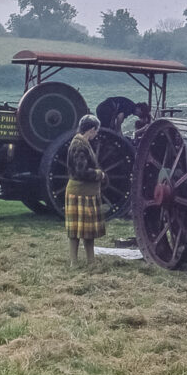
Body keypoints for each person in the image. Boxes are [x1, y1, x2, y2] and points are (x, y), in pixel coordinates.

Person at [64, 114, 107, 266]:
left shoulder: (81, 143)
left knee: (82, 232)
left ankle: (87, 261)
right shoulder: (79, 145)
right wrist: (99, 174)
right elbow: (81, 172)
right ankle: (77, 262)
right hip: (81, 193)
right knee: (81, 232)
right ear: (92, 129)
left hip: (83, 192)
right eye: (96, 131)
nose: (96, 134)